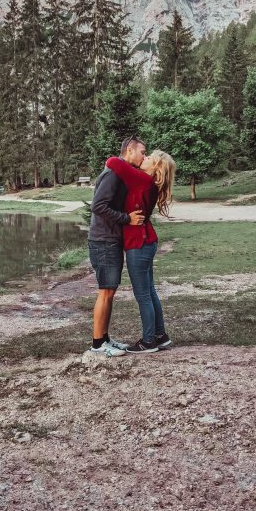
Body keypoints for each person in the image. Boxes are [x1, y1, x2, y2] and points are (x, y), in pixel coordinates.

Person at [105, 149, 176, 353]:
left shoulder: (142, 179)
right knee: (150, 291)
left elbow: (112, 161)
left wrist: (127, 157)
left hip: (139, 243)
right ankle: (160, 336)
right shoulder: (148, 182)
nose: (143, 159)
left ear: (156, 169)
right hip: (147, 241)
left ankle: (148, 341)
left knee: (143, 294)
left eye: (148, 158)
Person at [87, 137, 147, 357]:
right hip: (103, 240)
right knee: (105, 291)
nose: (144, 156)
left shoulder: (120, 172)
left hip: (110, 240)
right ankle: (96, 345)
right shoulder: (112, 174)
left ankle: (105, 338)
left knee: (110, 291)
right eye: (142, 152)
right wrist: (126, 218)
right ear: (129, 150)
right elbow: (98, 206)